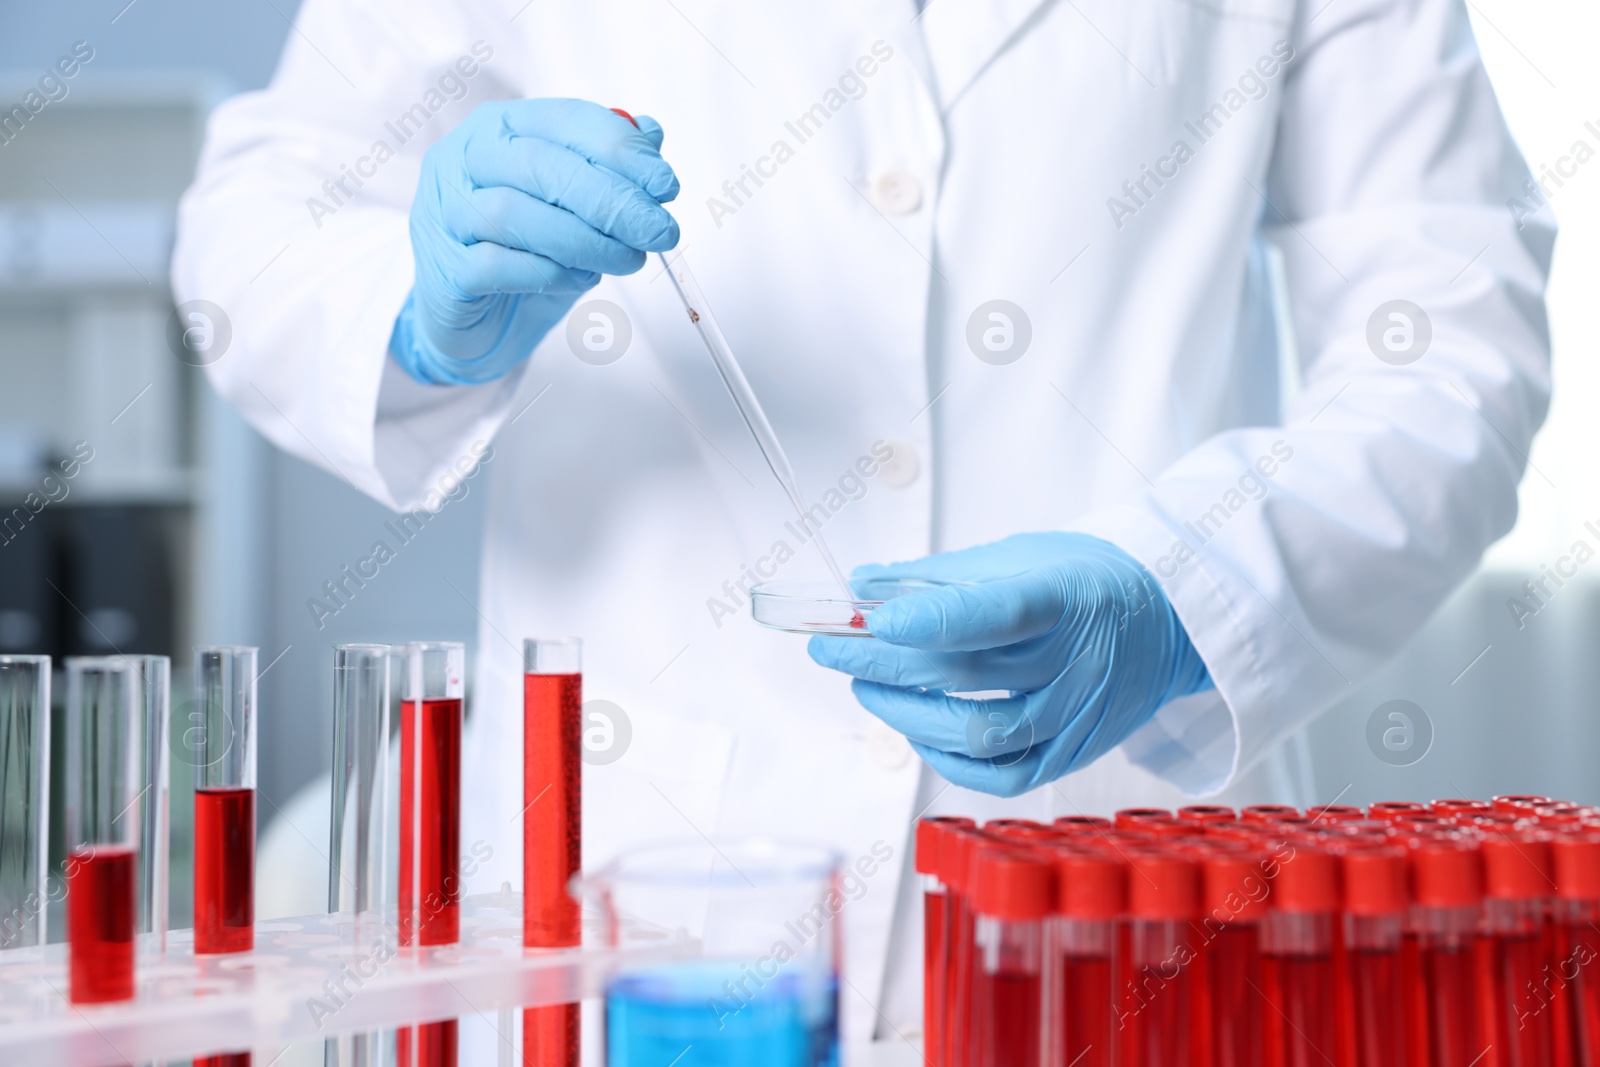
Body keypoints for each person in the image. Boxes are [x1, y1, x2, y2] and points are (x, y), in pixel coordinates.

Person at [173, 0, 1552, 1054]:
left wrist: (1180, 592)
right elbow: (256, 225)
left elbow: (1448, 342)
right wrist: (419, 308)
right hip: (633, 889)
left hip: (1118, 878)